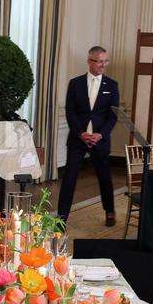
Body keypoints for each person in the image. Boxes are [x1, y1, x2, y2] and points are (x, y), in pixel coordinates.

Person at [57, 45, 120, 227]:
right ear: (90, 61)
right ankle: (61, 218)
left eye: (105, 61)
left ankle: (109, 211)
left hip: (100, 139)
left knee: (104, 177)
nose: (103, 65)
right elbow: (71, 112)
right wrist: (81, 133)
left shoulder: (112, 85)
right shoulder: (75, 84)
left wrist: (101, 134)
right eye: (99, 61)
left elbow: (113, 114)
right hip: (78, 139)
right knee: (69, 178)